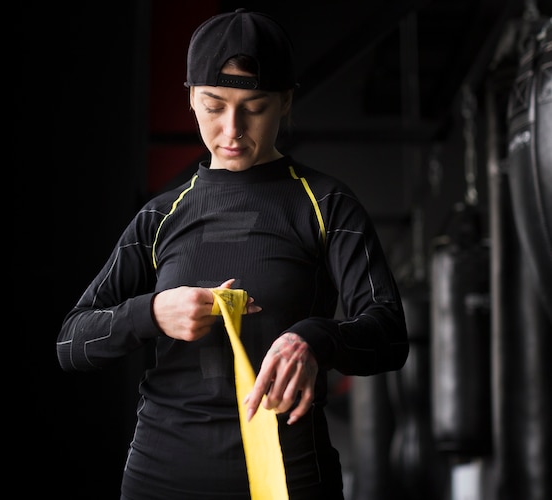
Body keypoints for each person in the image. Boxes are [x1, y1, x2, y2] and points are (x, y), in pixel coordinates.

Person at [56, 8, 409, 500]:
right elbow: (71, 342)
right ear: (191, 100)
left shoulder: (326, 203)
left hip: (290, 477)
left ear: (285, 102)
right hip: (161, 477)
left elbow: (390, 333)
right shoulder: (160, 217)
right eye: (214, 105)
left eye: (255, 106)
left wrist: (316, 338)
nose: (232, 129)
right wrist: (152, 312)